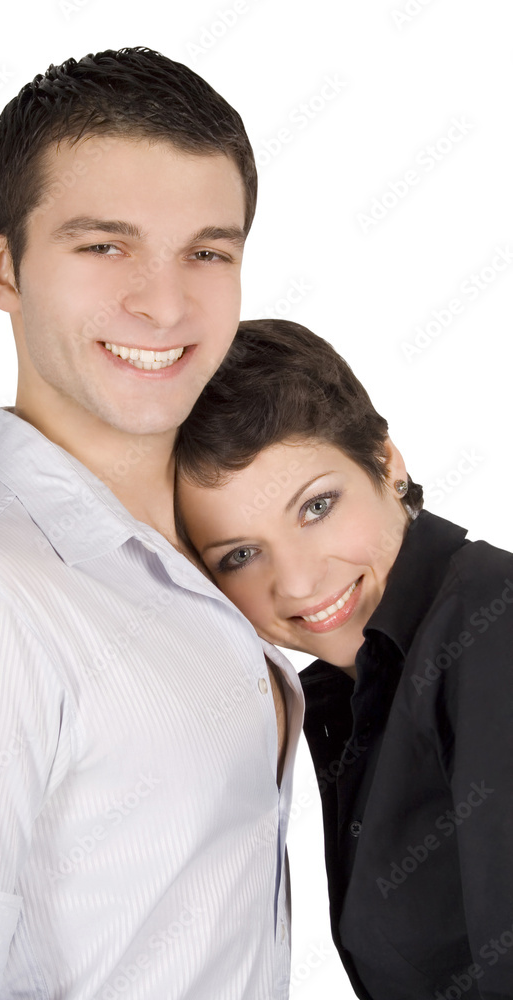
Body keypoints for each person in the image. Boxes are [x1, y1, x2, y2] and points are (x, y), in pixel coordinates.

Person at [0, 51, 304, 998]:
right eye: (104, 247)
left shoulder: (210, 556)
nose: (164, 304)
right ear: (1, 268)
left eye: (207, 252)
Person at [175, 318, 513, 1000]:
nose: (298, 583)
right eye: (241, 554)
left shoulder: (492, 632)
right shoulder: (347, 692)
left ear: (387, 464)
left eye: (316, 507)